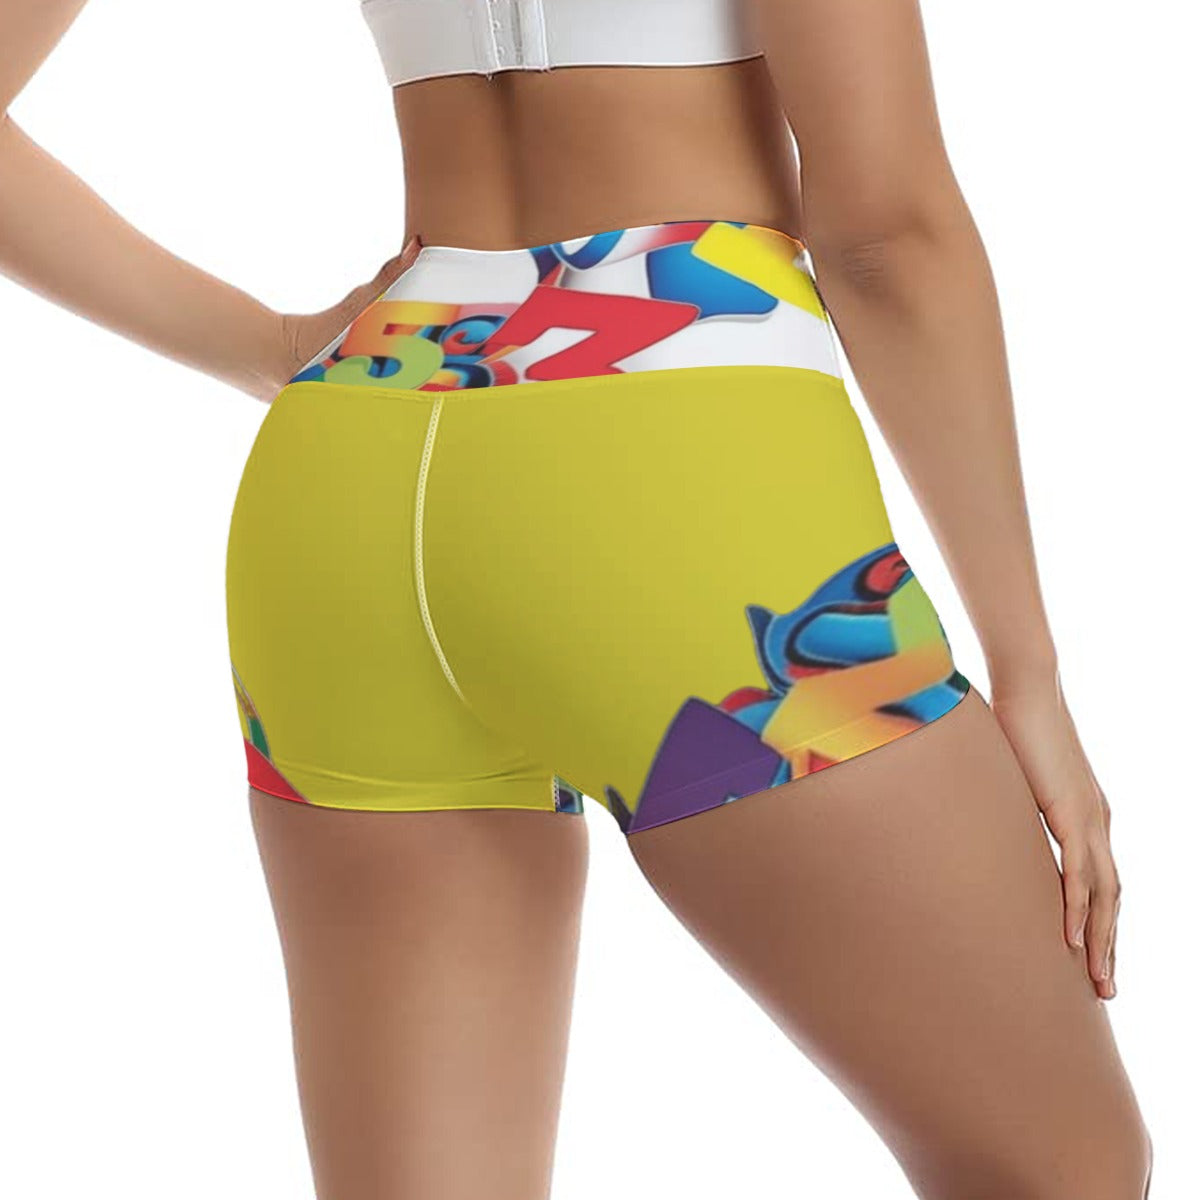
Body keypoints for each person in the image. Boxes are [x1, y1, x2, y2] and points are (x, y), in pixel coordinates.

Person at [1, 1, 1152, 1197]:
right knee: (1065, 1167)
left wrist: (275, 345)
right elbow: (886, 238)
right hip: (676, 445)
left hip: (354, 467)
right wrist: (1029, 672)